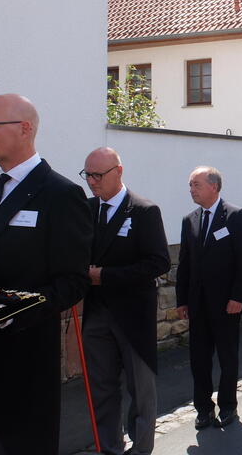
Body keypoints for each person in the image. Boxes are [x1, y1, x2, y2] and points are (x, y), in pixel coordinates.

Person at [0, 94, 92, 455]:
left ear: (24, 128)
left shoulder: (61, 194)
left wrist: (9, 312)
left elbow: (73, 282)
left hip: (23, 357)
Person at [81, 147, 169, 455]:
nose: (92, 181)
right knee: (101, 387)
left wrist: (105, 275)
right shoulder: (87, 209)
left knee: (140, 391)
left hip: (132, 316)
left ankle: (141, 449)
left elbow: (158, 262)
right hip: (96, 313)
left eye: (98, 175)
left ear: (118, 171)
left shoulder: (144, 210)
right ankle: (110, 448)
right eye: (87, 175)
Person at [176, 167, 242, 430]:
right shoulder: (190, 219)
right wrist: (182, 300)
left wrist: (238, 296)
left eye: (196, 184)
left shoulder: (234, 215)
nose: (191, 190)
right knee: (199, 359)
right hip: (198, 304)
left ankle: (228, 405)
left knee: (227, 356)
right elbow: (185, 263)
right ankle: (203, 408)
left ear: (214, 186)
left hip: (226, 303)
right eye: (190, 185)